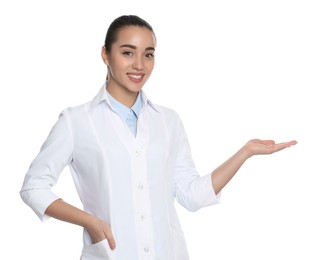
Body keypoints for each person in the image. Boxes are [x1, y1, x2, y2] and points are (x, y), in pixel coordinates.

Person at [20, 15, 297, 260]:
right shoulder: (76, 122)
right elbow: (34, 188)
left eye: (148, 54)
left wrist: (245, 152)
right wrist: (91, 222)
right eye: (128, 53)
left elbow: (191, 195)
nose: (139, 65)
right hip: (111, 254)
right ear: (105, 54)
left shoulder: (168, 121)